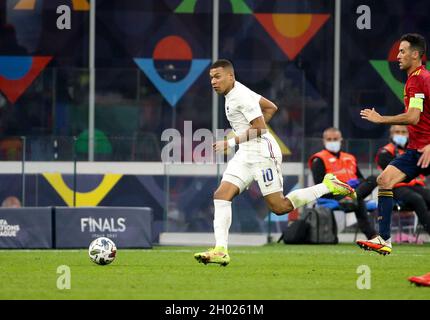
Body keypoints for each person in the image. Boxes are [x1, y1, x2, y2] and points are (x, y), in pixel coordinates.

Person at [194, 59, 356, 266]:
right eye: (211, 78)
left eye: (217, 77)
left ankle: (327, 186)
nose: (213, 82)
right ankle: (221, 250)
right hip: (245, 154)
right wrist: (245, 136)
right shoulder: (236, 92)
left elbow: (260, 128)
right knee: (221, 195)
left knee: (279, 207)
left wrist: (232, 141)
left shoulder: (241, 97)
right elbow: (271, 107)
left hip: (263, 154)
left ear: (230, 76)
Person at [358, 33, 430, 255]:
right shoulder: (416, 78)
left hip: (426, 149)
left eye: (402, 51)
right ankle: (384, 239)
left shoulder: (419, 78)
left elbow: (412, 117)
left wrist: (382, 119)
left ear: (415, 54)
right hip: (417, 150)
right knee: (384, 180)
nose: (398, 56)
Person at [309, 127, 378, 240]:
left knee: (373, 179)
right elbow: (319, 184)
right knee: (358, 199)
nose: (332, 142)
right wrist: (343, 185)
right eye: (329, 139)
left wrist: (355, 183)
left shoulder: (350, 158)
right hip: (332, 193)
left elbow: (361, 178)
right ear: (324, 141)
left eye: (335, 139)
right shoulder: (319, 159)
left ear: (341, 140)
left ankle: (352, 197)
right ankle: (372, 236)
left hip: (352, 191)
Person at [375, 125, 430, 236]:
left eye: (403, 132)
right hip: (396, 187)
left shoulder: (415, 149)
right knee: (417, 199)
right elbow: (392, 173)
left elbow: (424, 170)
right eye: (397, 132)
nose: (400, 134)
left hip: (416, 185)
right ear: (391, 135)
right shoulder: (385, 152)